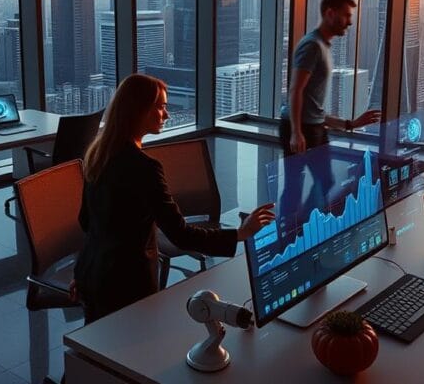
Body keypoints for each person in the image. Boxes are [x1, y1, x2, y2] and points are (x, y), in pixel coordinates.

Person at [73, 73, 276, 324]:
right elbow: (181, 235)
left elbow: (86, 222)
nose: (166, 115)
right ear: (139, 110)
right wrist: (240, 234)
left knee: (95, 343)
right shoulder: (145, 168)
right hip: (127, 285)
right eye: (161, 107)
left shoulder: (97, 156)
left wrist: (84, 273)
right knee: (132, 342)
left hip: (92, 276)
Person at [276, 0, 381, 245]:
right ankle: (291, 239)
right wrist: (296, 132)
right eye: (346, 16)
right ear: (330, 13)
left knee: (322, 181)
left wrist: (350, 124)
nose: (350, 22)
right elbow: (296, 90)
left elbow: (315, 108)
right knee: (295, 186)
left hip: (313, 128)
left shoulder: (323, 46)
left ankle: (301, 232)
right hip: (300, 128)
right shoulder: (312, 46)